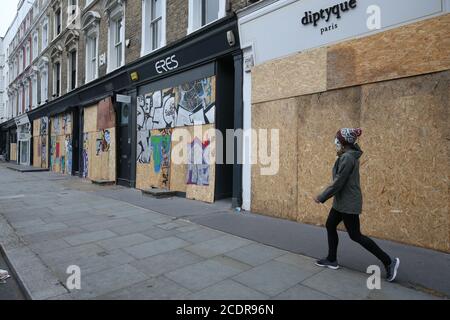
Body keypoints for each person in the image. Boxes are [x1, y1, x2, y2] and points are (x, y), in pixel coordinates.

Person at [313, 128, 400, 282]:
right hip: (342, 201)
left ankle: (389, 262)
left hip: (348, 202)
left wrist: (322, 196)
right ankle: (332, 259)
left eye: (337, 139)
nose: (335, 142)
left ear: (343, 142)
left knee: (355, 235)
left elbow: (339, 182)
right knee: (330, 224)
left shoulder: (347, 158)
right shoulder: (347, 155)